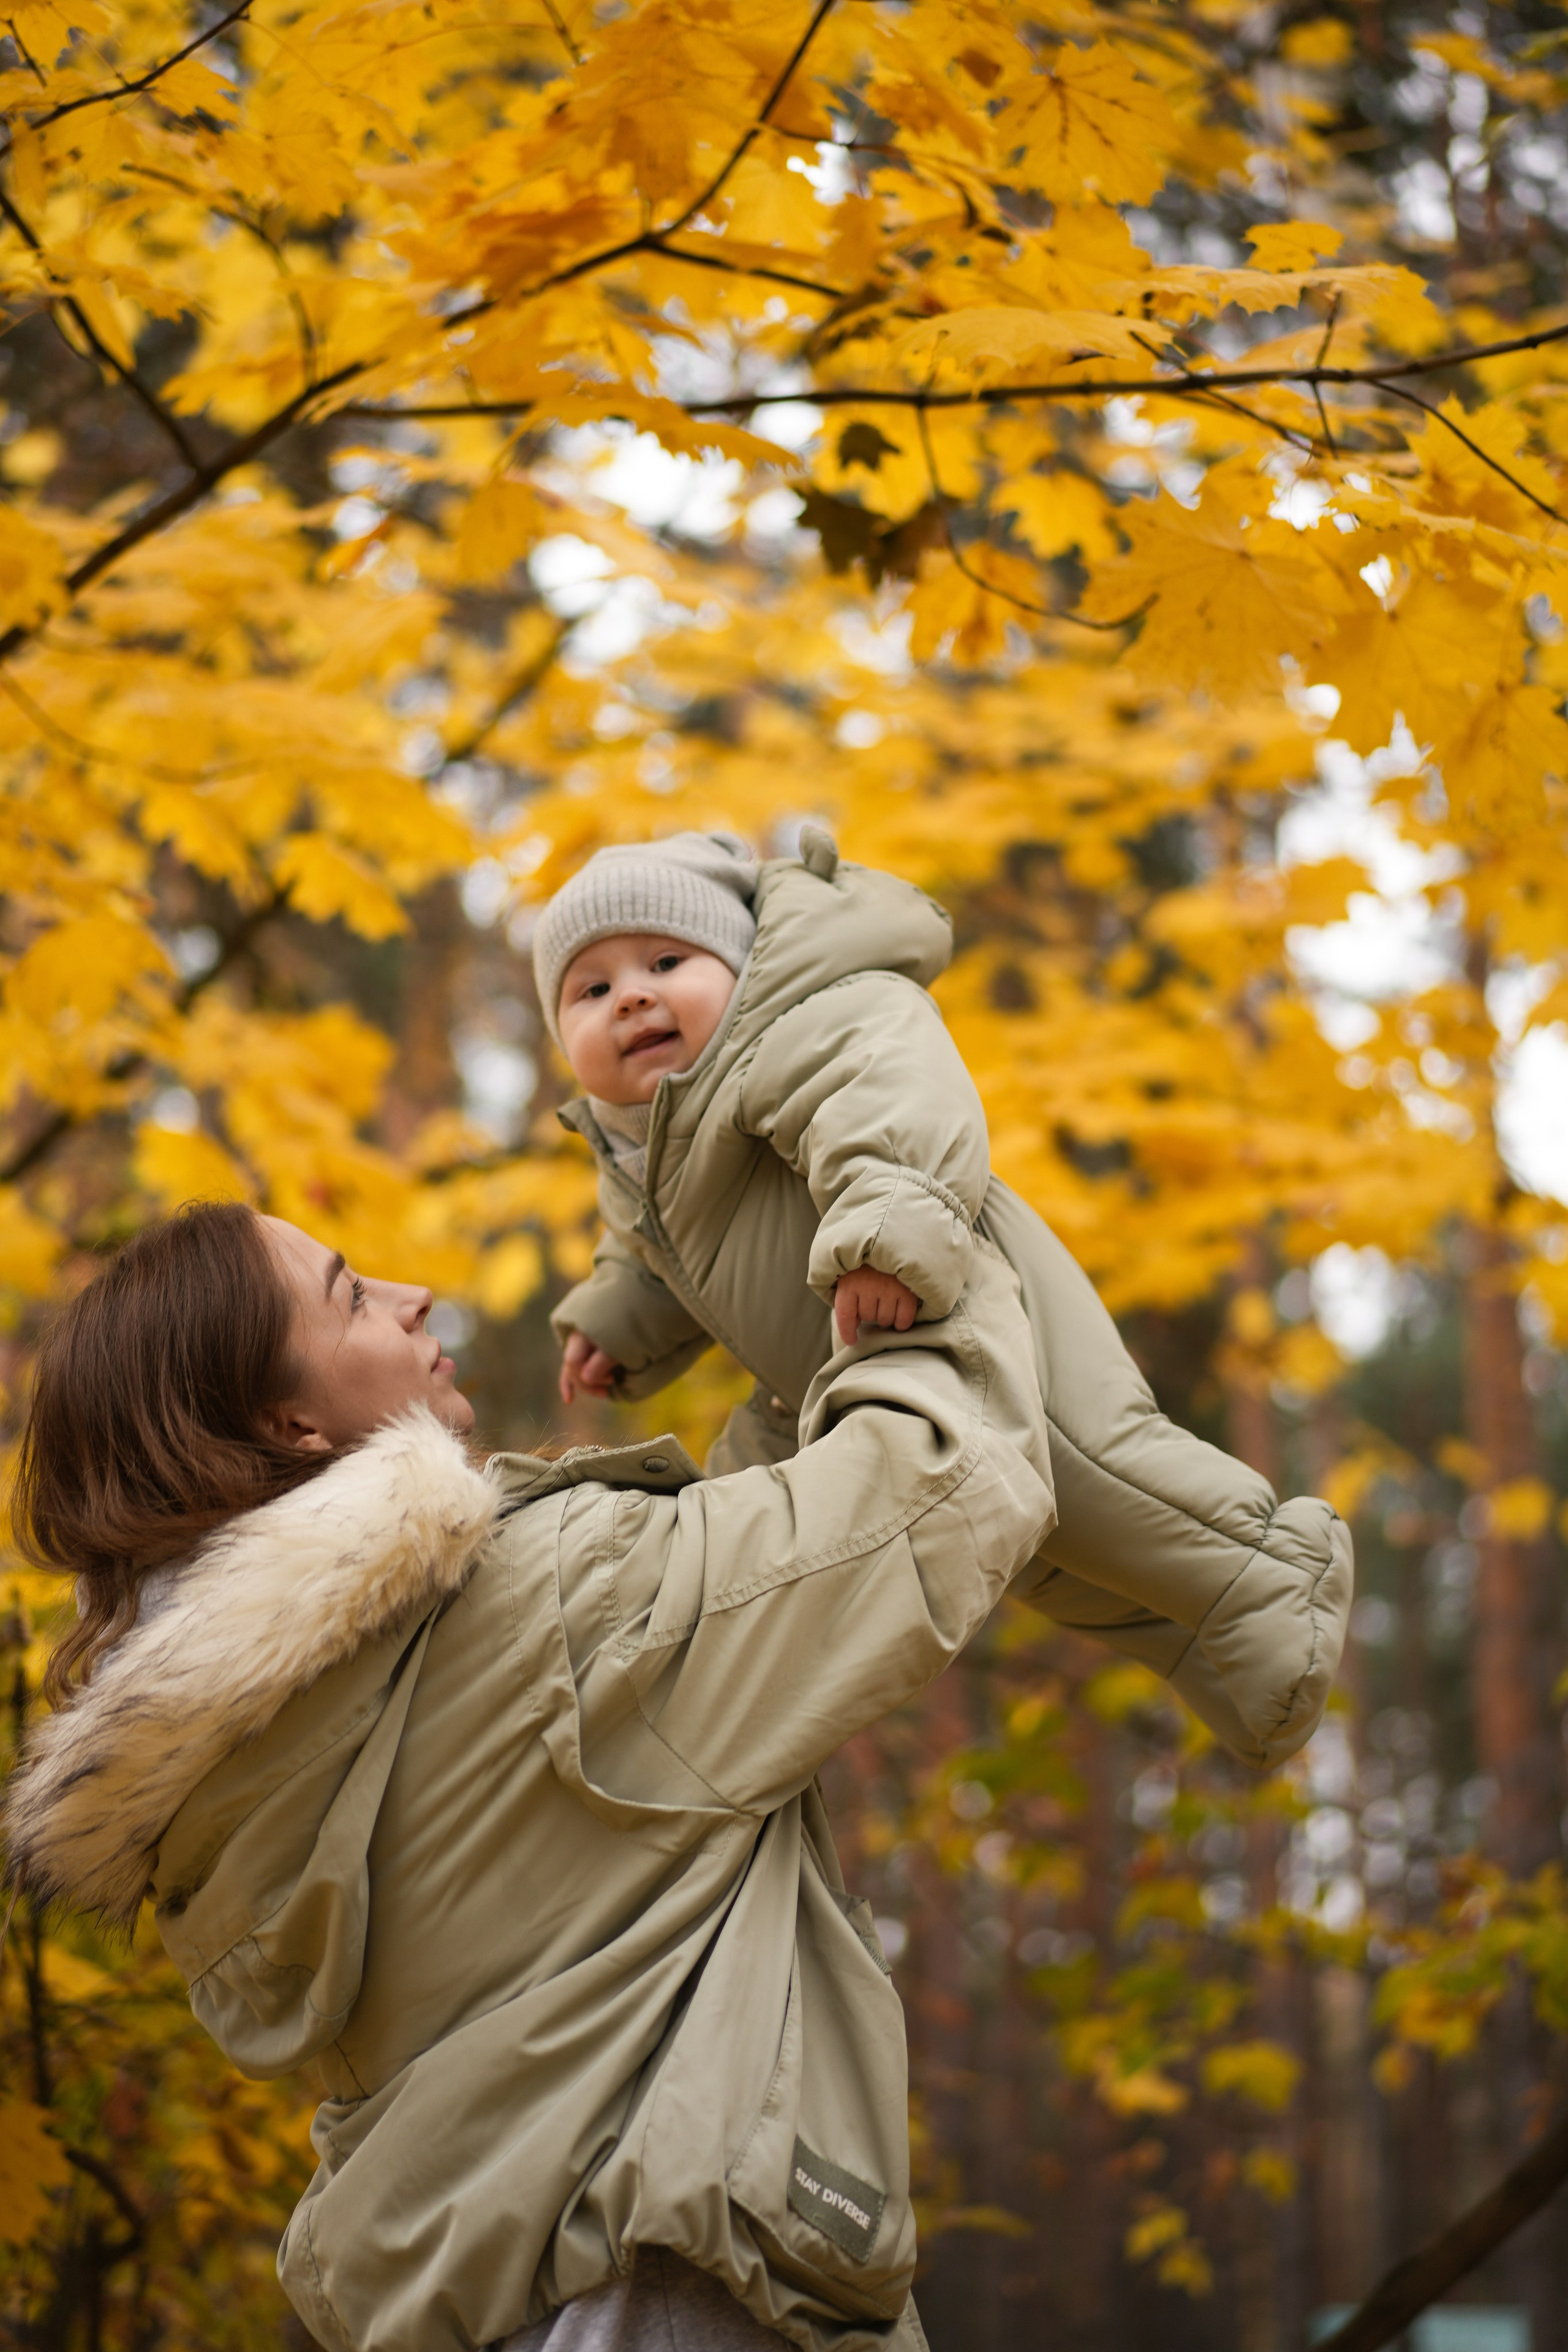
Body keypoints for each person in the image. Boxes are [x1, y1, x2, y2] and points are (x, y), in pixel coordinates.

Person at [5, 1199, 1057, 2352]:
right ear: (290, 1422)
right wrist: (926, 1219)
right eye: (353, 1295)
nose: (412, 1296)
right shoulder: (544, 1608)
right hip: (689, 2305)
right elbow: (955, 1483)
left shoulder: (217, 1771)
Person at [535, 827, 1353, 1775]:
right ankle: (1222, 1656)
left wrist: (888, 1231)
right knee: (1036, 1548)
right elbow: (650, 1254)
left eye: (666, 960)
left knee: (1096, 1472)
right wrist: (615, 1323)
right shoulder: (635, 1148)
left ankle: (1280, 1574)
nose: (630, 994)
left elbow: (895, 1105)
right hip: (841, 1364)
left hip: (956, 1290)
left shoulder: (808, 1023)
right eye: (590, 990)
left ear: (742, 964)